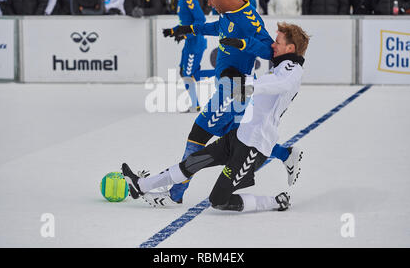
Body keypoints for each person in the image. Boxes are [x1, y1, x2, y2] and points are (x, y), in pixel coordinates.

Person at [122, 21, 310, 212]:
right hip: (240, 135)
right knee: (192, 162)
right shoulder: (281, 66)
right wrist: (241, 81)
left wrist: (247, 84)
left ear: (290, 48)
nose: (272, 45)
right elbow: (267, 87)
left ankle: (276, 202)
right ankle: (141, 185)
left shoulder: (292, 69)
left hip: (254, 146)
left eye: (277, 42)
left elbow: (280, 84)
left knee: (219, 200)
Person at [161, 0, 301, 204]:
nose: (209, 2)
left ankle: (176, 192)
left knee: (199, 133)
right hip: (231, 89)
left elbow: (269, 50)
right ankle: (285, 154)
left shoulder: (249, 19)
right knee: (237, 141)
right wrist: (186, 29)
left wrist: (245, 44)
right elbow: (217, 27)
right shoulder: (226, 14)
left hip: (234, 89)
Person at [162, 0, 208, 113]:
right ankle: (195, 104)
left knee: (189, 75)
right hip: (189, 43)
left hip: (195, 43)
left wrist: (186, 35)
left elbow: (201, 20)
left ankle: (222, 73)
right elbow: (185, 22)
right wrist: (173, 31)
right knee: (184, 73)